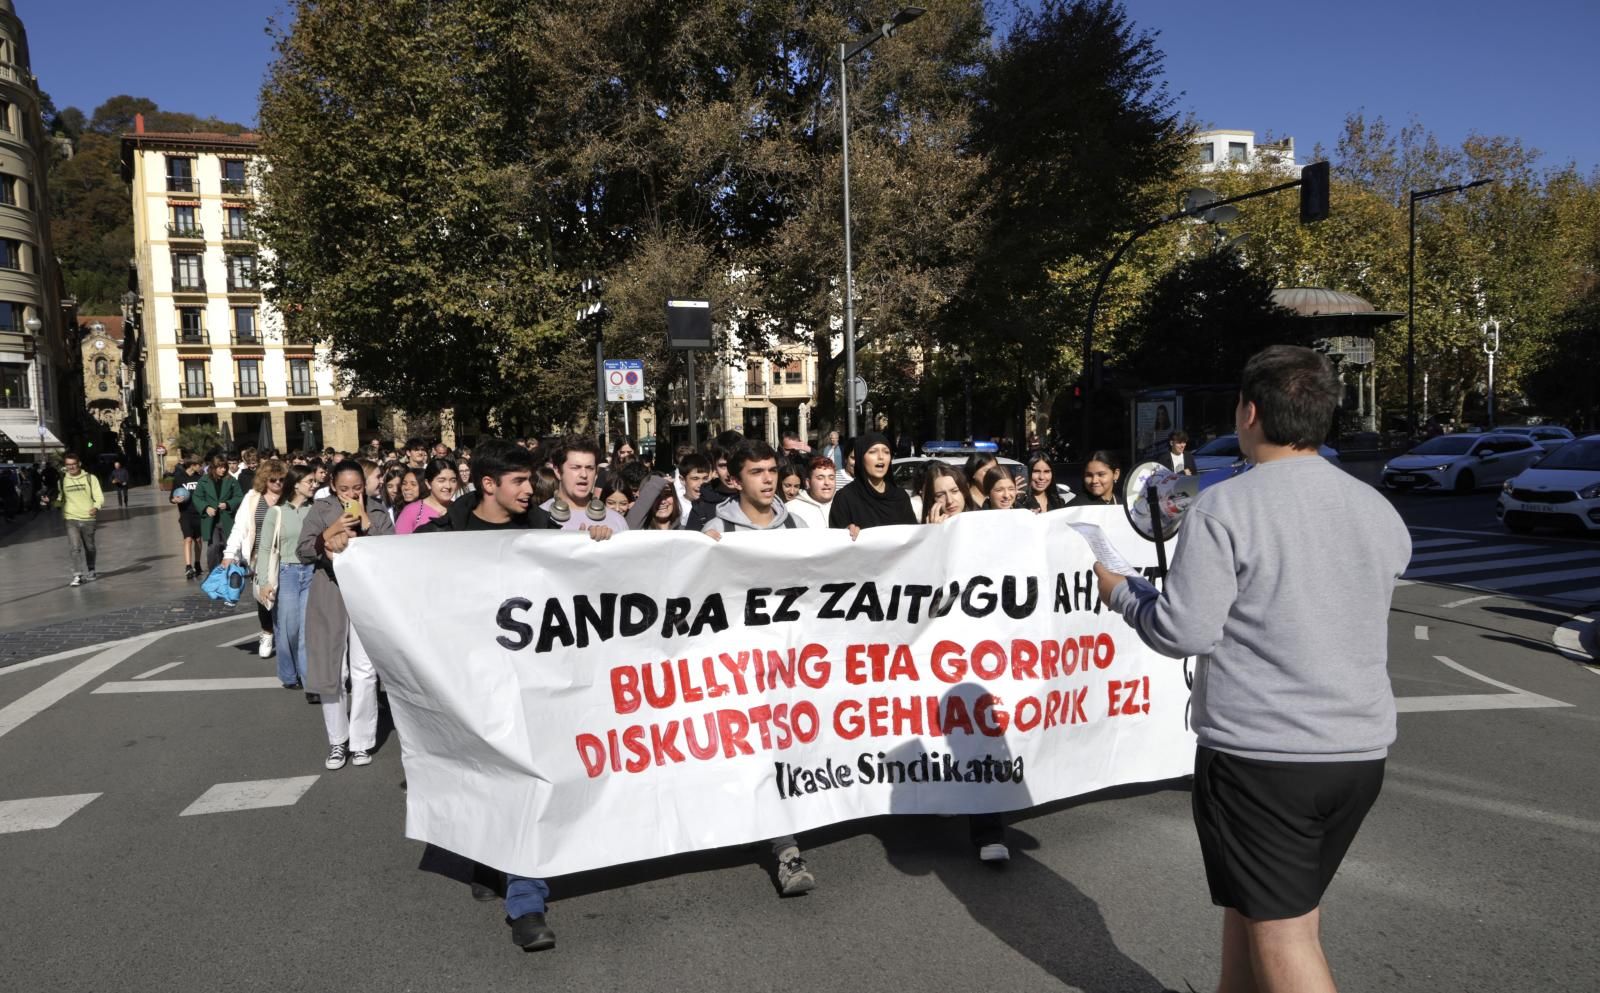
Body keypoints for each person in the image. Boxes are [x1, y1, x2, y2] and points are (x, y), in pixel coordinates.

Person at [1095, 346, 1409, 993]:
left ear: (1249, 412)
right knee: (1272, 907)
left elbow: (1181, 629)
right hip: (1357, 755)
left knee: (1284, 932)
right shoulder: (1379, 511)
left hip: (1263, 756)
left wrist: (1123, 592)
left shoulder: (1225, 506)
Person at [419, 439, 611, 952]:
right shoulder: (440, 535)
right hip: (469, 683)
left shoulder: (544, 534)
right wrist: (335, 547)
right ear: (488, 485)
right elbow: (390, 578)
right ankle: (487, 855)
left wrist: (594, 547)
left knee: (530, 779)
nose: (531, 491)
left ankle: (526, 902)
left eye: (531, 480)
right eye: (519, 482)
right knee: (485, 777)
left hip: (530, 683)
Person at [700, 440, 818, 895]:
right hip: (742, 666)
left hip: (793, 664)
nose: (768, 479)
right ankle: (787, 852)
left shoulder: (800, 525)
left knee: (783, 751)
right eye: (757, 472)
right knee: (759, 751)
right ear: (735, 478)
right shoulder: (716, 529)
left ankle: (778, 828)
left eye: (772, 470)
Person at [297, 460, 395, 772]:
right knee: (331, 670)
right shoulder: (321, 508)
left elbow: (391, 549)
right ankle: (337, 740)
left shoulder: (378, 509)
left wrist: (365, 519)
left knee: (365, 671)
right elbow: (302, 550)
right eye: (343, 489)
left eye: (356, 487)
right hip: (330, 592)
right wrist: (329, 534)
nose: (350, 493)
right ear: (333, 487)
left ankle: (361, 741)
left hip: (365, 595)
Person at [258, 467, 318, 693]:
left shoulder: (315, 510)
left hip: (311, 572)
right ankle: (288, 673)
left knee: (306, 629)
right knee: (289, 627)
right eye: (309, 481)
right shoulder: (277, 512)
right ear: (296, 484)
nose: (314, 485)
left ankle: (307, 677)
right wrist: (264, 581)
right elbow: (265, 548)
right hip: (287, 573)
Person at [223, 459, 289, 657]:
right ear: (264, 480)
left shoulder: (290, 497)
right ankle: (267, 632)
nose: (278, 483)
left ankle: (285, 634)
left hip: (285, 555)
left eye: (282, 479)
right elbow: (240, 527)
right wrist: (229, 553)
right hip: (258, 556)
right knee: (264, 598)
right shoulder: (253, 498)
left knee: (286, 598)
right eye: (273, 480)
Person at [541, 435, 630, 533]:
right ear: (558, 471)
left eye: (589, 468)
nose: (584, 475)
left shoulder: (617, 521)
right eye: (575, 467)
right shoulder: (539, 519)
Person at [828, 433, 914, 533]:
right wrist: (845, 533)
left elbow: (913, 539)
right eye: (873, 452)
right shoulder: (844, 498)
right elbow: (835, 541)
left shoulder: (901, 497)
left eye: (886, 452)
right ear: (860, 457)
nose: (881, 456)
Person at [57, 452, 104, 586]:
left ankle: (91, 569)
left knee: (89, 547)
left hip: (88, 517)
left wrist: (96, 507)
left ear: (79, 464)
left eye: (73, 464)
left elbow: (99, 496)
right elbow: (60, 499)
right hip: (70, 517)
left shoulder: (90, 478)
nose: (71, 467)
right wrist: (51, 501)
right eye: (68, 465)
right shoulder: (62, 480)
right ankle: (77, 575)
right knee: (75, 547)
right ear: (65, 466)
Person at [194, 456, 245, 573]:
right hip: (211, 520)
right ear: (213, 467)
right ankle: (214, 571)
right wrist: (206, 508)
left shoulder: (231, 480)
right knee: (214, 546)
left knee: (229, 545)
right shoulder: (204, 480)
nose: (223, 470)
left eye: (224, 467)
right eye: (220, 467)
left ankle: (231, 570)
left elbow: (239, 496)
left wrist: (228, 504)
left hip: (226, 518)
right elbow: (197, 497)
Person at [684, 434, 742, 531]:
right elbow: (690, 544)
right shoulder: (701, 507)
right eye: (723, 466)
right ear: (714, 467)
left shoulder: (761, 499)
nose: (729, 472)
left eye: (734, 464)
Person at [395, 458, 458, 534]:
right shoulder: (411, 511)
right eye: (441, 480)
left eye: (453, 480)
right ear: (428, 483)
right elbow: (400, 544)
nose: (448, 486)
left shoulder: (461, 510)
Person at [171, 453, 205, 579]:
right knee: (188, 539)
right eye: (199, 465)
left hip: (198, 514)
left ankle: (197, 563)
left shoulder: (200, 478)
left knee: (198, 540)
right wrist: (175, 499)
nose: (201, 467)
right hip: (185, 513)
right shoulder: (179, 478)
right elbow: (171, 497)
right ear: (193, 465)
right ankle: (188, 566)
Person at [785, 455, 834, 530]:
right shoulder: (789, 509)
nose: (827, 483)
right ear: (808, 483)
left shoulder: (844, 505)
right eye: (820, 478)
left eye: (831, 478)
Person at [675, 453, 712, 528]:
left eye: (705, 478)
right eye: (695, 479)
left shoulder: (714, 504)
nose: (701, 484)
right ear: (682, 480)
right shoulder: (675, 506)